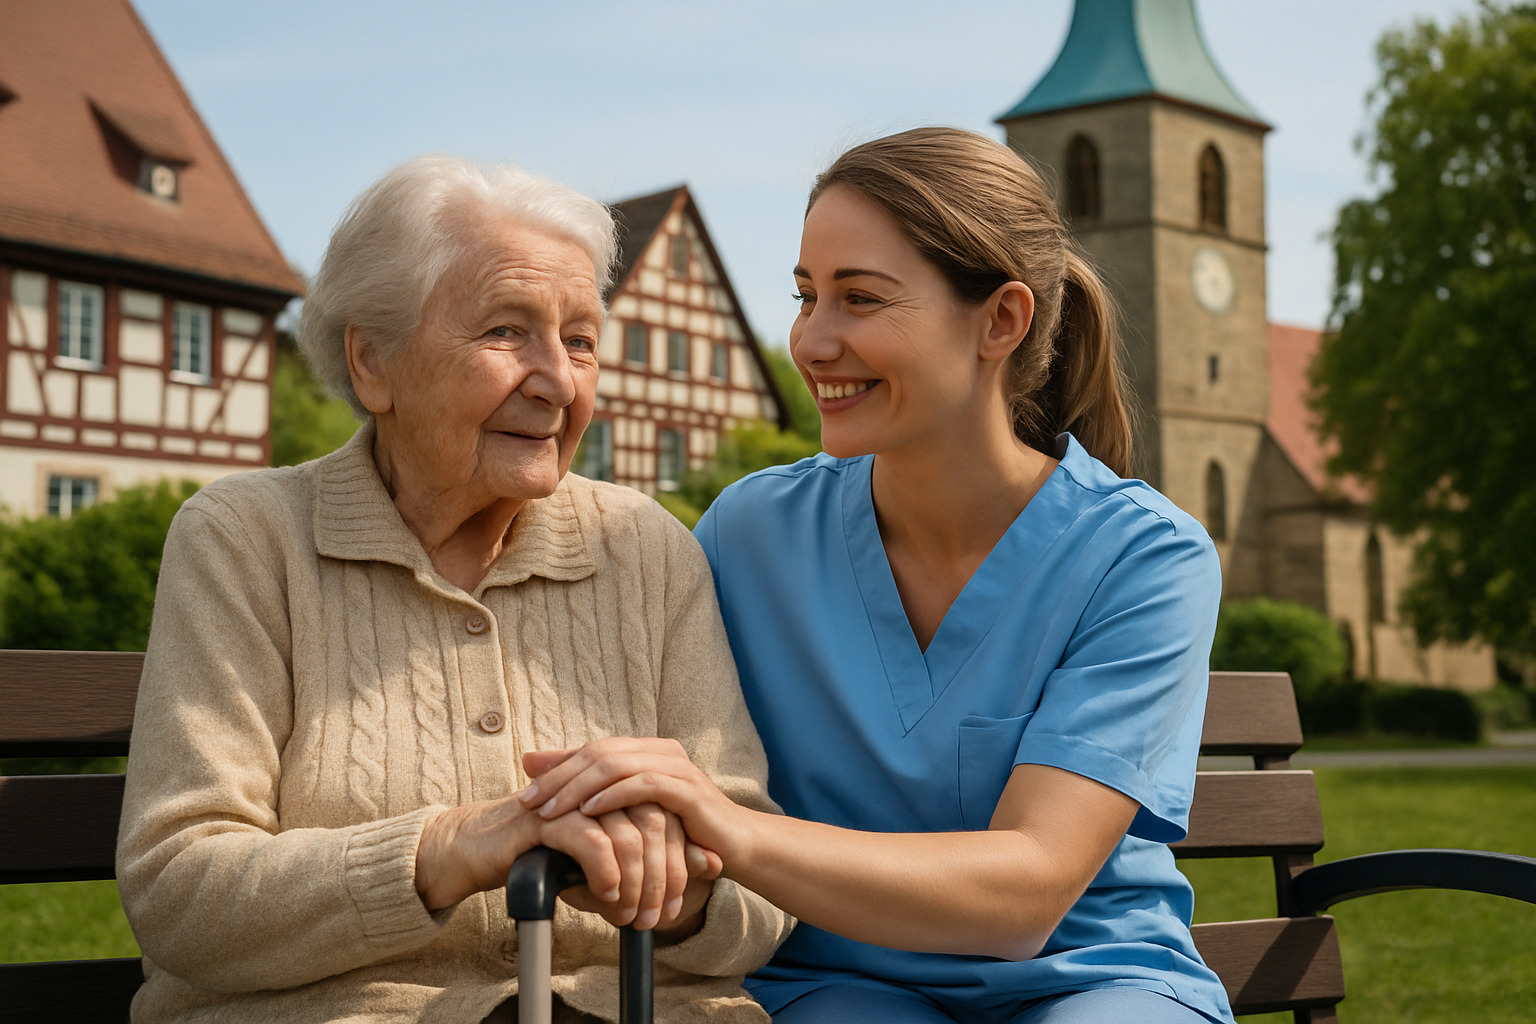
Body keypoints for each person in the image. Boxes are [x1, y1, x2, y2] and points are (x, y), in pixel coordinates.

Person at [517, 127, 1238, 1024]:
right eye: (805, 296)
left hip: (1093, 981)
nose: (812, 342)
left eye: (860, 299)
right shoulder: (751, 533)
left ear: (1001, 322)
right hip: (843, 987)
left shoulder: (1143, 556)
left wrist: (735, 830)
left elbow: (1026, 895)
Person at [115, 155, 792, 1024]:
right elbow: (181, 892)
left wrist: (674, 887)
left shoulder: (647, 549)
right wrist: (450, 846)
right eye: (507, 333)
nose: (558, 380)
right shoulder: (246, 539)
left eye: (580, 340)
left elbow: (762, 897)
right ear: (373, 363)